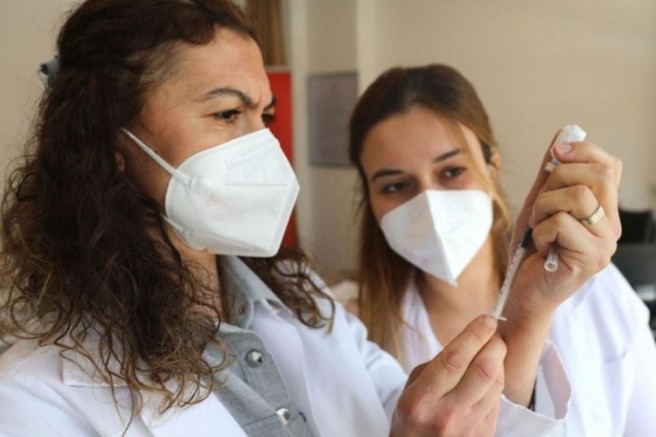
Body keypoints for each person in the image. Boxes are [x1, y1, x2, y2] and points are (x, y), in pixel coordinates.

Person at [0, 1, 550, 436]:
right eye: (226, 113)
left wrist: (529, 305)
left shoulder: (299, 298)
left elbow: (439, 419)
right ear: (111, 139)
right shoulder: (32, 398)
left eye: (264, 115)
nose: (265, 147)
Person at [345, 63, 656, 436]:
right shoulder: (349, 335)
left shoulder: (596, 294)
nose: (429, 203)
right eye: (396, 186)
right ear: (370, 200)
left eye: (451, 171)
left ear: (492, 167)